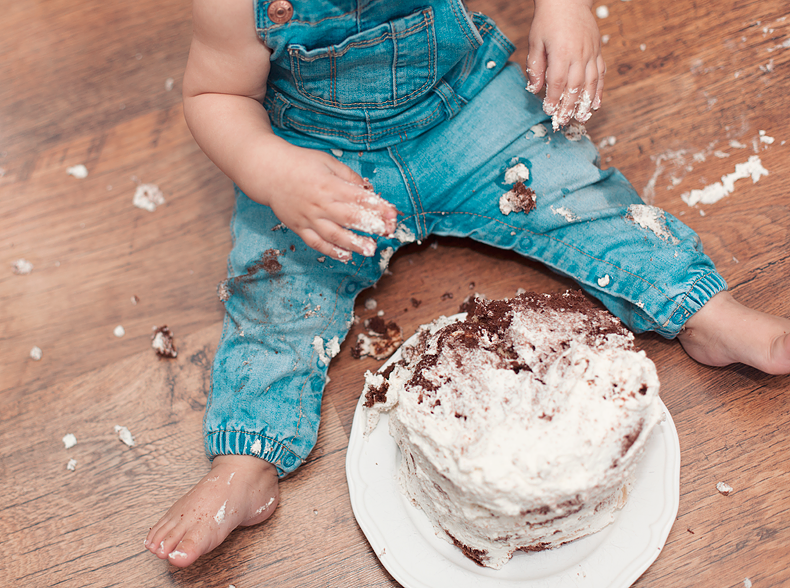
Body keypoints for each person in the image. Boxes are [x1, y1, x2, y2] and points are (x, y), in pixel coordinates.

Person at [145, 0, 790, 568]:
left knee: (573, 191)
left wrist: (564, 10)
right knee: (275, 292)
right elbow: (213, 97)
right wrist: (271, 170)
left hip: (467, 111)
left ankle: (698, 306)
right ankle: (247, 458)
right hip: (319, 162)